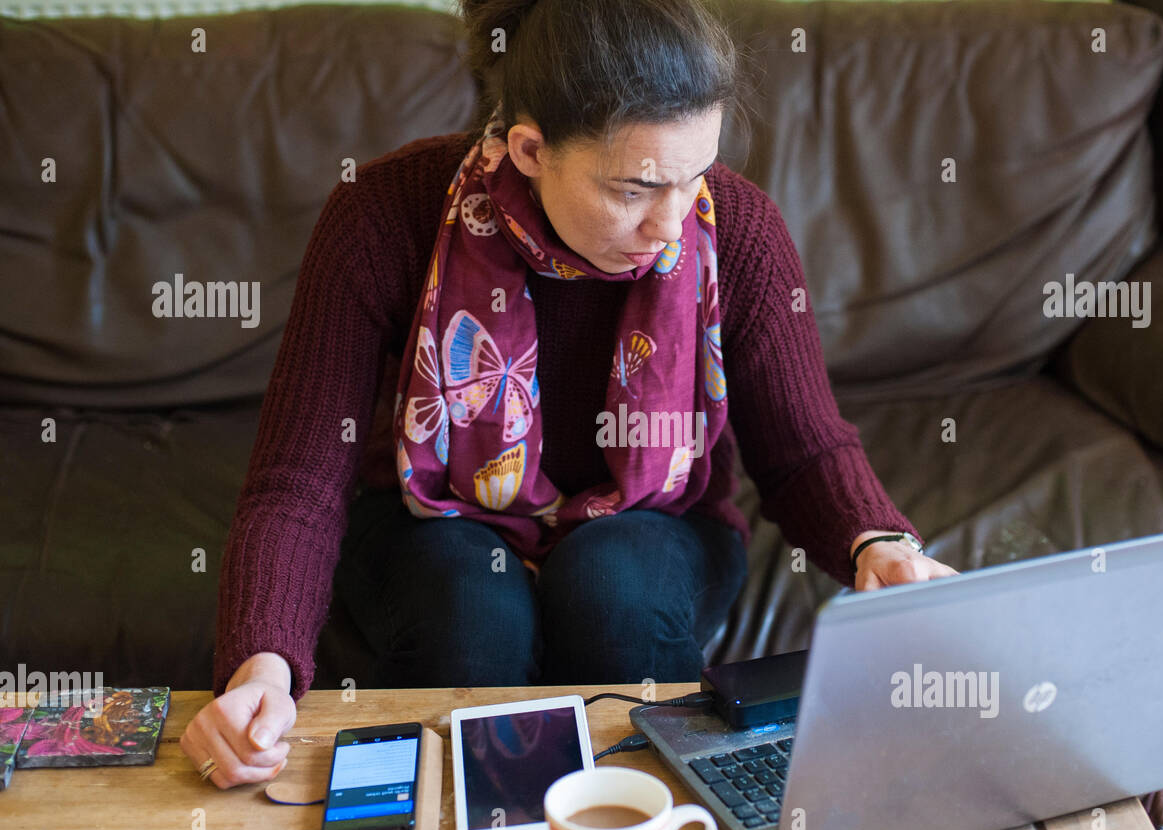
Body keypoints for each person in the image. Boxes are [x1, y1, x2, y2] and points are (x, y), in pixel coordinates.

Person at [182, 0, 958, 789]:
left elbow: (802, 447)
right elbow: (297, 480)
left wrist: (878, 544)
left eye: (693, 176)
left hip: (658, 524)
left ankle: (658, 824)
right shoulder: (383, 216)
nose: (670, 223)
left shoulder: (737, 227)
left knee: (612, 585)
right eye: (635, 188)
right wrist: (260, 669)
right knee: (471, 607)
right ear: (530, 149)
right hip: (431, 517)